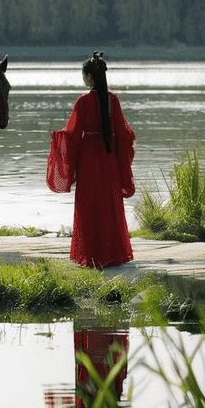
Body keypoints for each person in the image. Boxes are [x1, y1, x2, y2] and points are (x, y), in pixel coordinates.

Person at [46, 52, 135, 269]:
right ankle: (113, 255)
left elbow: (73, 136)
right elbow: (125, 135)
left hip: (89, 159)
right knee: (109, 205)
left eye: (84, 76)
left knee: (90, 206)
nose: (84, 79)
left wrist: (58, 140)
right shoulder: (113, 100)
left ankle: (93, 256)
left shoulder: (84, 101)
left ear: (90, 77)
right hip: (109, 158)